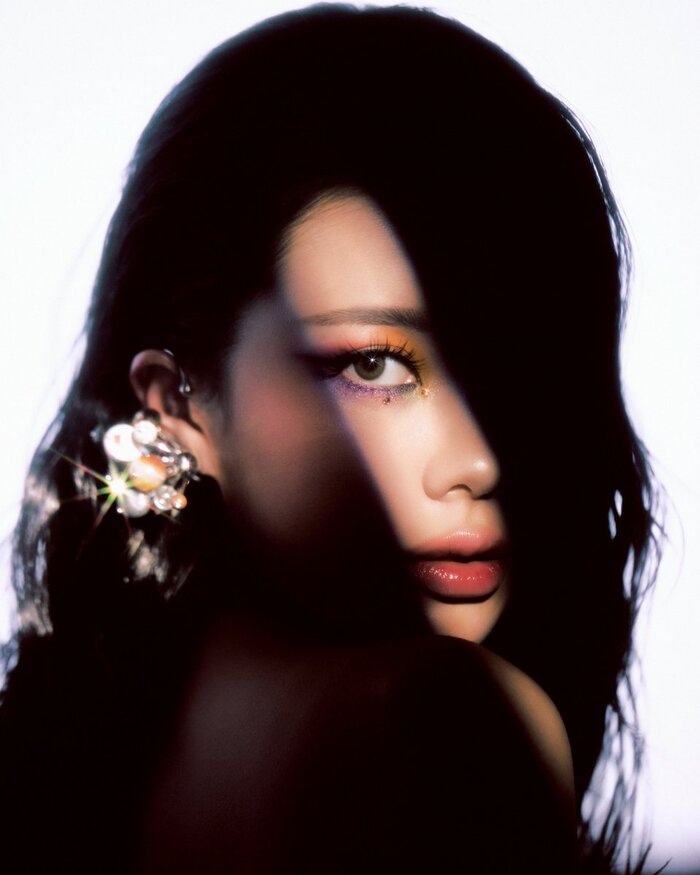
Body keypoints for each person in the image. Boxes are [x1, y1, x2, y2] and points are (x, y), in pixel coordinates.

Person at [0, 5, 660, 873]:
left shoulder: (83, 746)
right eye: (375, 365)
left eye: (519, 359)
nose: (479, 460)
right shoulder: (440, 726)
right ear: (180, 404)